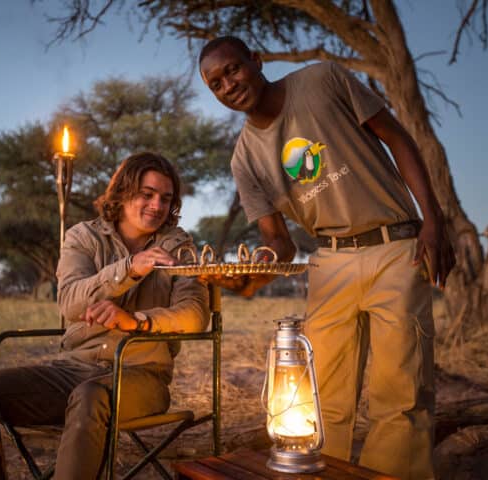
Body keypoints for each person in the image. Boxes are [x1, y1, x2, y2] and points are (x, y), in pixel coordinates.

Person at [199, 36, 455, 479]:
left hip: (395, 246)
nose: (228, 85)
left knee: (401, 392)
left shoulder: (323, 80)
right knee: (320, 397)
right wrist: (251, 274)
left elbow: (398, 138)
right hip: (329, 260)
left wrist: (432, 220)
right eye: (216, 84)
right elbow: (280, 242)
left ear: (257, 60)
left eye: (233, 70)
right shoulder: (245, 158)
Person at [0, 152, 209, 480]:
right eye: (147, 194)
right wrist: (129, 269)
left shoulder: (179, 246)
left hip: (142, 376)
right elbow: (70, 303)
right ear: (123, 191)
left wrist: (136, 321)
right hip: (72, 370)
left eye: (165, 198)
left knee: (90, 397)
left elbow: (195, 316)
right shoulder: (83, 237)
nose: (157, 205)